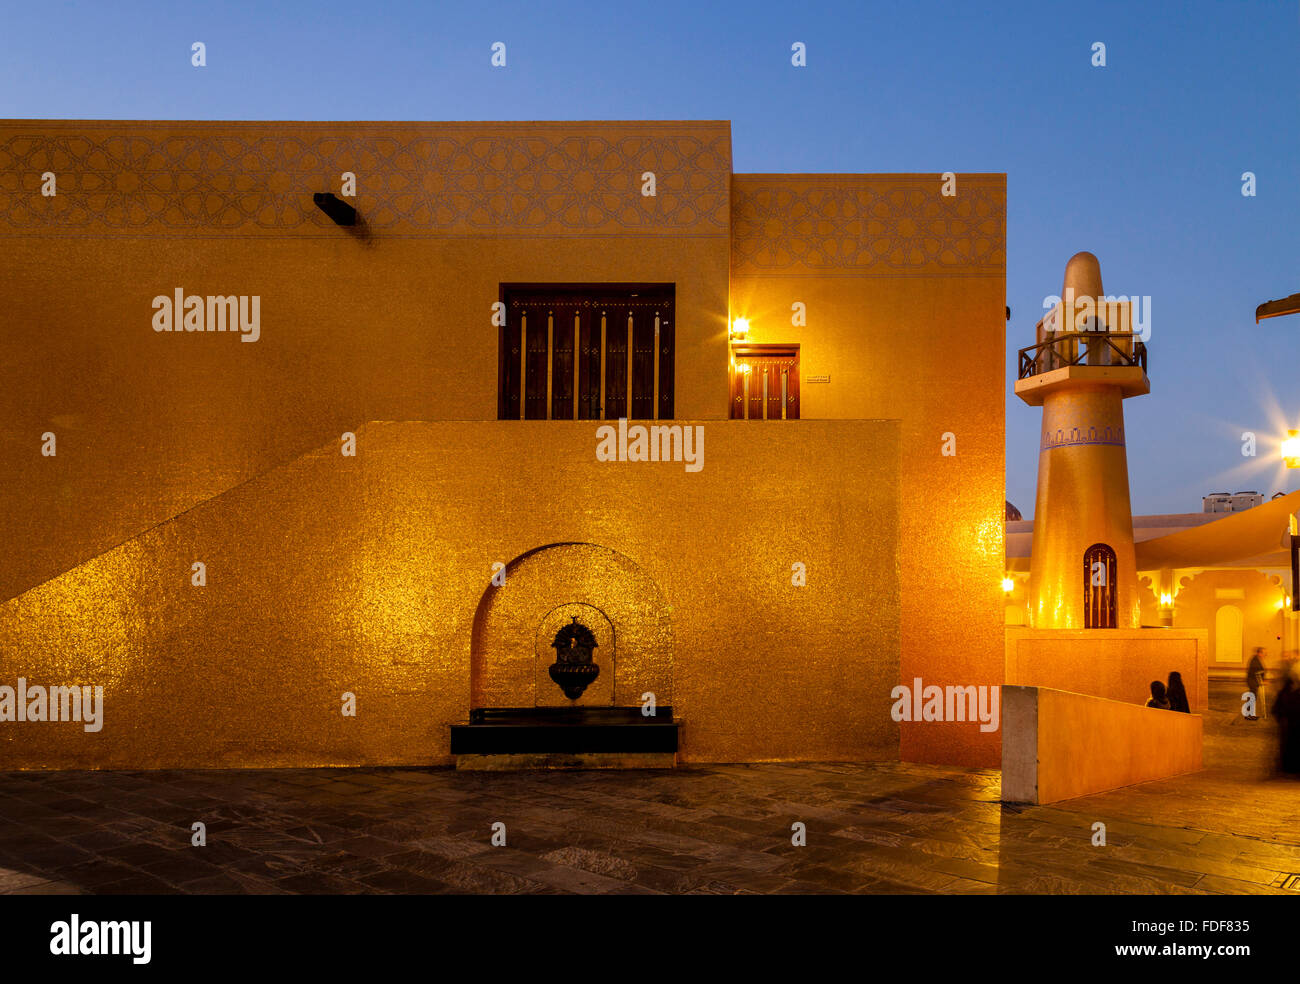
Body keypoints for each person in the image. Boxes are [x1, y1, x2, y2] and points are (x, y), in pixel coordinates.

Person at [1273, 654, 1300, 775]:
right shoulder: (1288, 689)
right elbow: (1278, 707)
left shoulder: (1289, 689)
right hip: (1290, 723)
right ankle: (1289, 766)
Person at [1246, 648, 1266, 721]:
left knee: (1253, 698)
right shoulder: (1254, 660)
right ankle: (1249, 715)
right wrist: (1262, 678)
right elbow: (1255, 671)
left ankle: (1251, 714)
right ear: (1259, 653)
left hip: (1255, 681)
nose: (1265, 655)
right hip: (1253, 681)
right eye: (1264, 653)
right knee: (1252, 698)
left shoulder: (1257, 659)